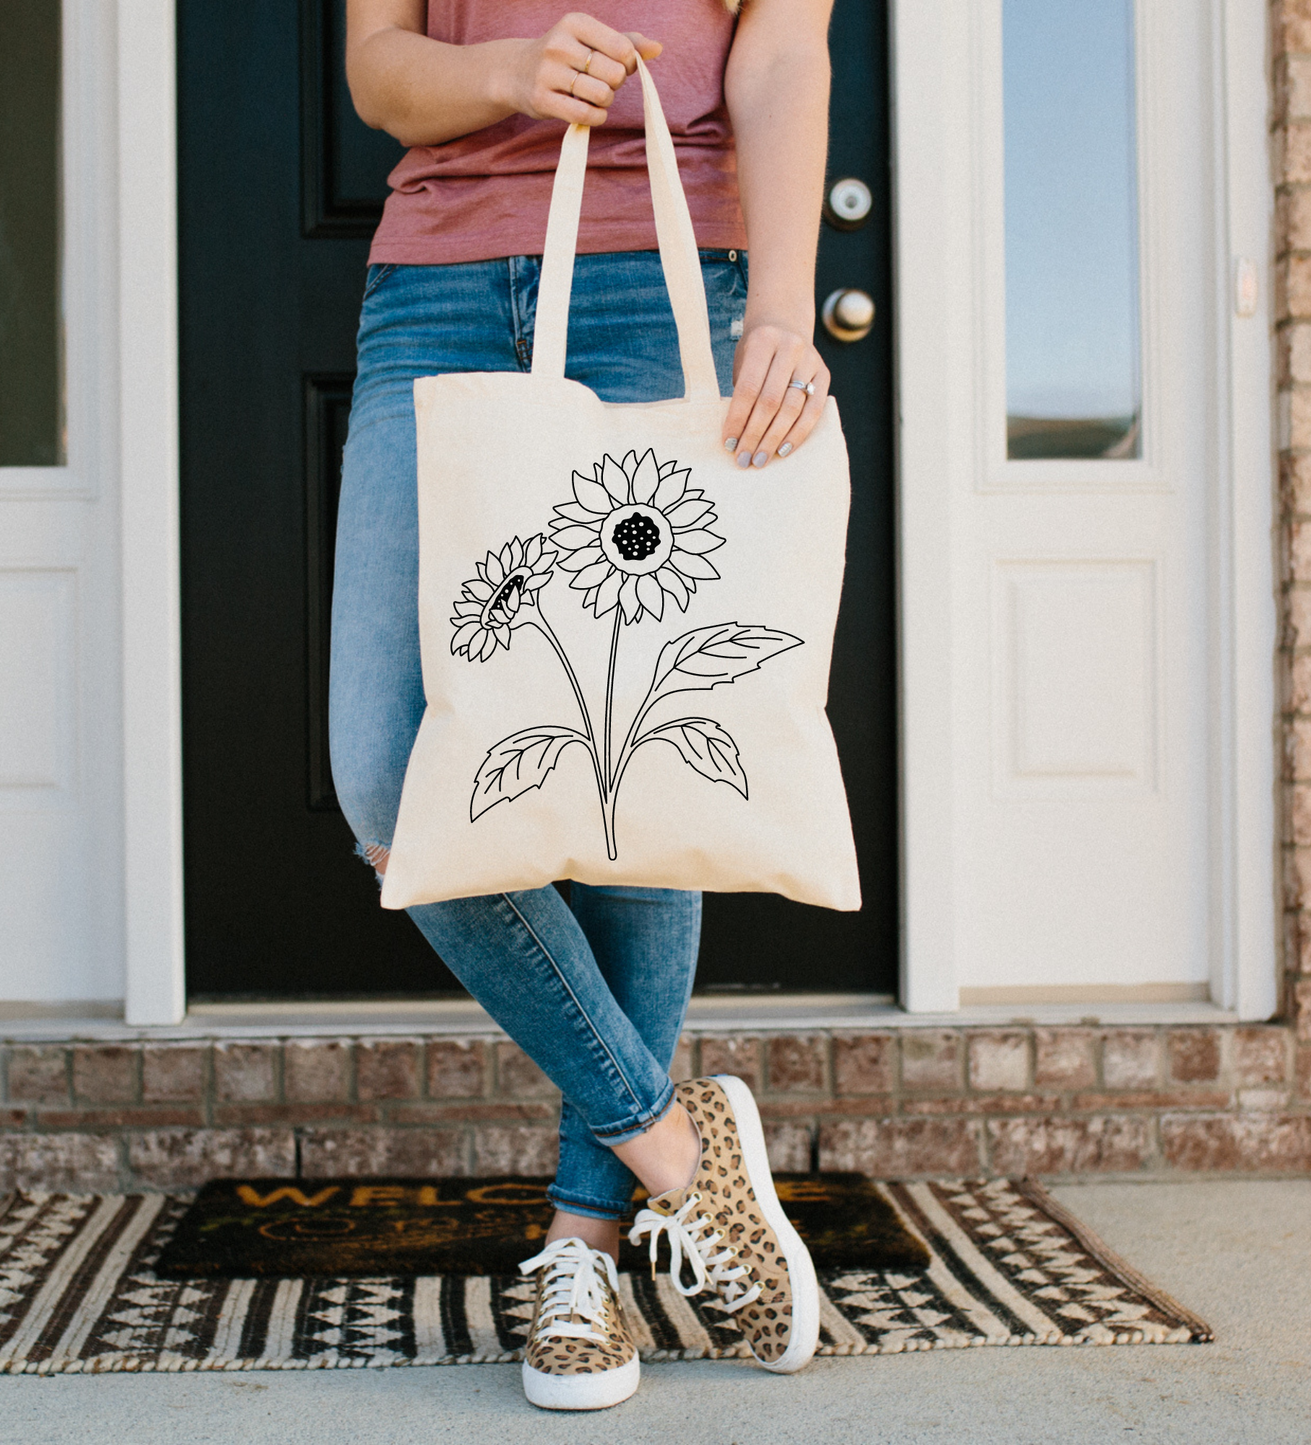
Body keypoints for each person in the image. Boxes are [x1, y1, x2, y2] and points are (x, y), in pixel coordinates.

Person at [335, 0, 834, 1410]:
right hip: (431, 289)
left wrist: (784, 310)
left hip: (660, 275)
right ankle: (677, 1151)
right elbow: (378, 68)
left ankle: (585, 1248)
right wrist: (505, 70)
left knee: (640, 776)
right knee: (391, 778)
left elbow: (784, 49)